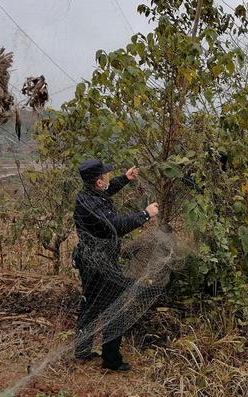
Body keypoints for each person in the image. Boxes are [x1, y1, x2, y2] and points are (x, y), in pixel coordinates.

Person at [72, 159, 158, 371]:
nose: (108, 177)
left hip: (89, 260)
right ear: (98, 182)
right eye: (106, 175)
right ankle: (111, 360)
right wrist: (146, 214)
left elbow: (107, 192)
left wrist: (125, 179)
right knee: (116, 306)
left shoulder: (87, 195)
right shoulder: (94, 207)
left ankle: (82, 350)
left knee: (91, 302)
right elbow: (117, 226)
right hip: (99, 264)